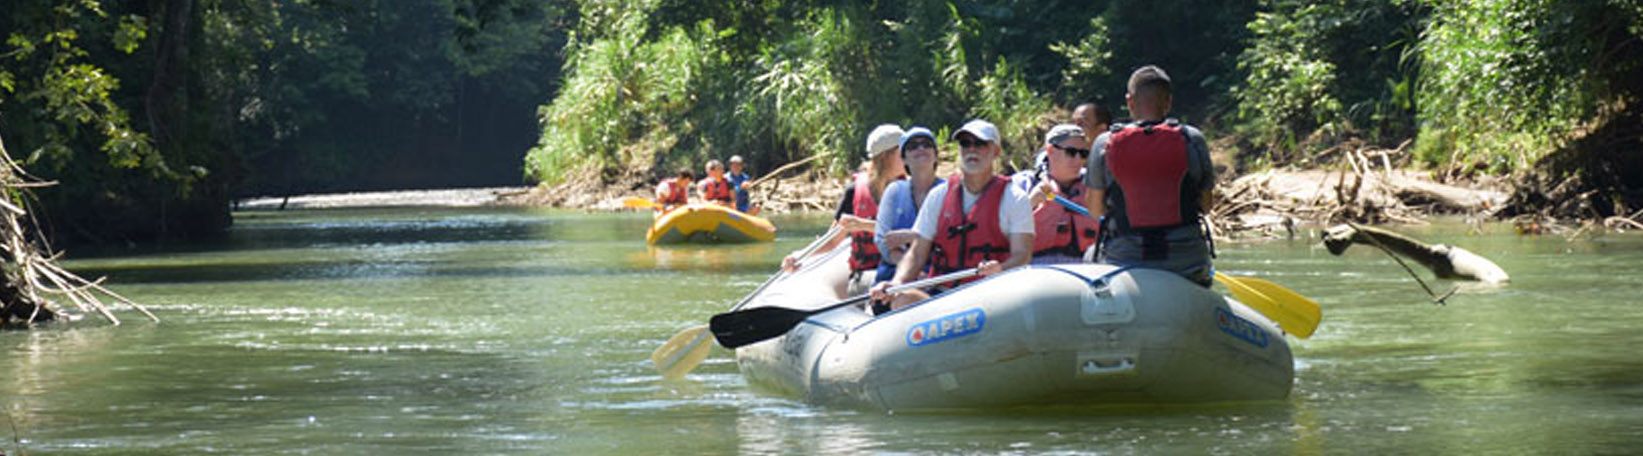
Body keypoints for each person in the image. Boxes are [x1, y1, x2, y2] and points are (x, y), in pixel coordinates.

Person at [869, 119, 1034, 311]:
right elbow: (916, 254)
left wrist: (1001, 269)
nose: (972, 149)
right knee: (903, 299)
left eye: (980, 144)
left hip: (991, 297)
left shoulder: (1015, 198)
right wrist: (897, 283)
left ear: (995, 151)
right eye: (966, 143)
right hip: (943, 296)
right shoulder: (939, 195)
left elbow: (1022, 255)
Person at [1083, 65, 1217, 286]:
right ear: (1168, 102)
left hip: (1125, 262)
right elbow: (1206, 205)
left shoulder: (1104, 143)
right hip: (1188, 264)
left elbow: (1095, 210)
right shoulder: (1192, 138)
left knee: (1090, 255)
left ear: (1129, 102)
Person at [782, 124, 906, 294]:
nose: (909, 155)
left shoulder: (909, 189)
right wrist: (799, 255)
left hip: (901, 268)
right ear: (885, 156)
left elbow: (913, 231)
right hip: (867, 274)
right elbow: (832, 241)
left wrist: (863, 225)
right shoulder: (853, 191)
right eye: (903, 151)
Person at [1013, 124, 1099, 265]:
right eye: (1071, 152)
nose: (1078, 159)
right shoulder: (1024, 183)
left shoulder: (1095, 184)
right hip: (1037, 267)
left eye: (1083, 153)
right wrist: (1030, 203)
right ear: (1051, 151)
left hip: (1087, 266)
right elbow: (1001, 228)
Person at [873, 127, 947, 289]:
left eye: (926, 144)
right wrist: (912, 270)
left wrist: (913, 236)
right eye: (913, 146)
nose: (921, 149)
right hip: (894, 273)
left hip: (938, 276)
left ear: (935, 155)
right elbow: (883, 240)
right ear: (904, 159)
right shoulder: (894, 191)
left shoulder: (949, 191)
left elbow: (953, 235)